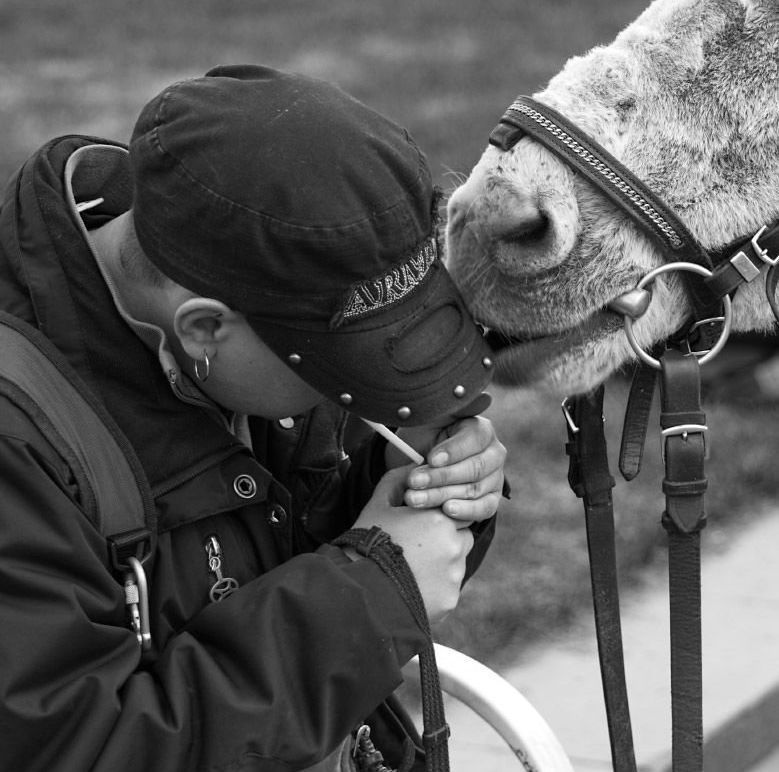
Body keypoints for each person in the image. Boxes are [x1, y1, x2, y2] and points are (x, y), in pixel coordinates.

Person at [0, 64, 506, 772]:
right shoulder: (20, 446)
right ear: (205, 329)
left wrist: (413, 482)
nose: (362, 392)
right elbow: (83, 749)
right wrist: (370, 596)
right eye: (339, 367)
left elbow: (289, 536)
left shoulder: (257, 299)